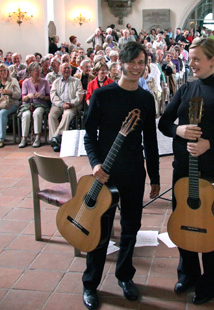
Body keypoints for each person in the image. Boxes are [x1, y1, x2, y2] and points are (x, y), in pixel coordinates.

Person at [159, 37, 214, 305]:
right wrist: (179, 130)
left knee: (211, 224)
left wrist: (211, 143)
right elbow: (163, 123)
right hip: (184, 169)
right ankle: (188, 273)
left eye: (197, 58)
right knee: (183, 219)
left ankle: (210, 281)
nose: (192, 63)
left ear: (212, 60)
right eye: (190, 58)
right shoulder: (185, 90)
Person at [81, 41, 160, 310]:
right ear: (121, 64)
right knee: (100, 230)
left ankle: (125, 276)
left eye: (141, 63)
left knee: (130, 228)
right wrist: (95, 165)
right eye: (132, 62)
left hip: (134, 171)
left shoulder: (146, 99)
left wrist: (156, 177)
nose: (137, 67)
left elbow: (151, 141)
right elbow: (89, 136)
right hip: (105, 172)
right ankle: (90, 283)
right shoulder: (103, 95)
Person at [48, 63, 83, 152]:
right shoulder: (56, 82)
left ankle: (55, 137)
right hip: (59, 105)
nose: (67, 70)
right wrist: (61, 104)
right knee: (52, 115)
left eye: (68, 68)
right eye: (64, 68)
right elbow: (53, 96)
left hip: (72, 105)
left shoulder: (77, 81)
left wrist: (71, 103)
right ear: (60, 70)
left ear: (71, 70)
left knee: (67, 114)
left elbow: (79, 96)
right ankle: (56, 142)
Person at [19, 62, 51, 148]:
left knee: (37, 113)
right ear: (31, 72)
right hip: (28, 104)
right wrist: (28, 96)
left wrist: (42, 97)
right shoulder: (25, 82)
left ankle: (37, 137)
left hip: (41, 104)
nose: (39, 72)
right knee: (26, 115)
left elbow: (49, 98)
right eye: (36, 71)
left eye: (39, 70)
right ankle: (24, 138)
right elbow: (23, 98)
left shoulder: (45, 82)